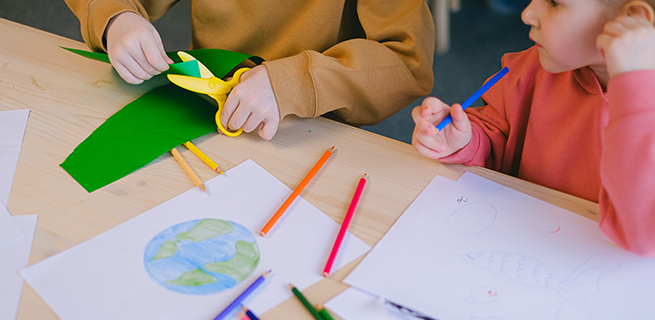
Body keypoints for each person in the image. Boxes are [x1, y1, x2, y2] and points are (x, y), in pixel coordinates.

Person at [412, 0, 655, 256]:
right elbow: (500, 144)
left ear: (633, 20)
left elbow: (641, 233)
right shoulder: (531, 69)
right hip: (512, 248)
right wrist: (466, 140)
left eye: (554, 3)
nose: (527, 14)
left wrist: (634, 96)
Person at [64, 0, 435, 140]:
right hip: (205, 111)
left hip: (310, 128)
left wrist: (292, 83)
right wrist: (114, 15)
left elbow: (406, 63)